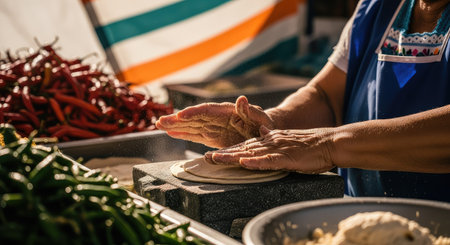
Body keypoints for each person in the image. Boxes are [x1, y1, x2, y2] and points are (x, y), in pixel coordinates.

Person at [156, 0, 450, 202]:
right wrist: (270, 127)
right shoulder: (376, 8)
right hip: (363, 221)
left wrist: (326, 145)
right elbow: (326, 95)